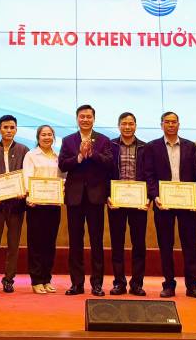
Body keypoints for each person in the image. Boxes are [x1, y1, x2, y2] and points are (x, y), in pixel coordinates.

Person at [147, 111, 196, 298]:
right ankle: (168, 285)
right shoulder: (152, 147)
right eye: (167, 122)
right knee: (166, 245)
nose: (171, 125)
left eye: (174, 122)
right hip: (163, 203)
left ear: (179, 124)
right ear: (161, 125)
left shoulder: (191, 146)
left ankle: (192, 285)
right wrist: (155, 196)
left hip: (187, 203)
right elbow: (149, 175)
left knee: (190, 244)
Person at [58, 104, 113, 296]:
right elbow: (63, 165)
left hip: (95, 197)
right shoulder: (68, 140)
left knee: (97, 241)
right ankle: (77, 284)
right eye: (82, 116)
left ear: (94, 119)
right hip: (74, 197)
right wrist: (80, 156)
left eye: (89, 117)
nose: (85, 120)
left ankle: (97, 284)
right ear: (77, 119)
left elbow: (109, 163)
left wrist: (93, 154)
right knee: (75, 242)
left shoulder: (104, 140)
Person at [0, 114, 29, 293]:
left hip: (17, 204)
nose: (9, 130)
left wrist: (24, 190)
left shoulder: (24, 150)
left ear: (16, 130)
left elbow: (27, 175)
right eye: (5, 127)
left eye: (12, 128)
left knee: (13, 244)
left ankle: (9, 279)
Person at [108, 111, 150, 296]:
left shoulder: (145, 147)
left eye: (131, 123)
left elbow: (150, 174)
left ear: (135, 126)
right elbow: (104, 173)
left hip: (139, 202)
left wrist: (148, 197)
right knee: (117, 243)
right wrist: (107, 196)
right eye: (124, 124)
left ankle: (137, 284)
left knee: (139, 244)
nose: (127, 127)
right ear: (119, 126)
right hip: (116, 202)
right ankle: (119, 282)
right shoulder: (110, 146)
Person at [23, 124, 63, 295]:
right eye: (43, 135)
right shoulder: (31, 155)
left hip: (53, 205)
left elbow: (63, 178)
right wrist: (30, 196)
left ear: (53, 137)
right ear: (38, 137)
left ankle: (46, 278)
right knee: (36, 243)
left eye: (49, 134)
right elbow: (27, 178)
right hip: (36, 205)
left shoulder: (58, 156)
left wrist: (61, 190)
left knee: (49, 243)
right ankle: (36, 280)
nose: (47, 137)